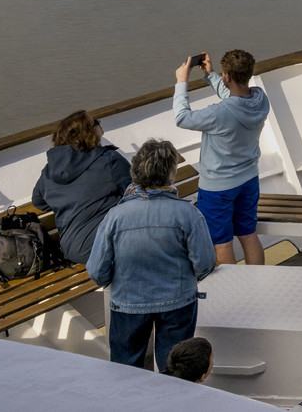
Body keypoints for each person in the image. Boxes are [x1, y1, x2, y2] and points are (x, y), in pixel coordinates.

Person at [87, 139, 215, 371]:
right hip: (178, 301)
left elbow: (97, 271)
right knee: (175, 370)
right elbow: (205, 263)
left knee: (125, 371)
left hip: (128, 303)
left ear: (135, 172)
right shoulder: (189, 214)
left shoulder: (115, 216)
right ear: (170, 175)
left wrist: (117, 282)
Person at [173, 49, 270, 265]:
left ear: (227, 76)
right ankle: (259, 288)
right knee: (248, 235)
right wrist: (211, 75)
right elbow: (236, 98)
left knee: (223, 243)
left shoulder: (220, 113)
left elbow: (182, 118)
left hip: (218, 188)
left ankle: (233, 297)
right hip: (248, 180)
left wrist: (182, 82)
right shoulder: (261, 100)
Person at [30, 110, 131, 265]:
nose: (100, 122)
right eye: (95, 121)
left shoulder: (49, 170)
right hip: (101, 247)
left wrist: (68, 200)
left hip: (71, 250)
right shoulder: (108, 160)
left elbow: (39, 202)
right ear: (87, 132)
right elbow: (137, 191)